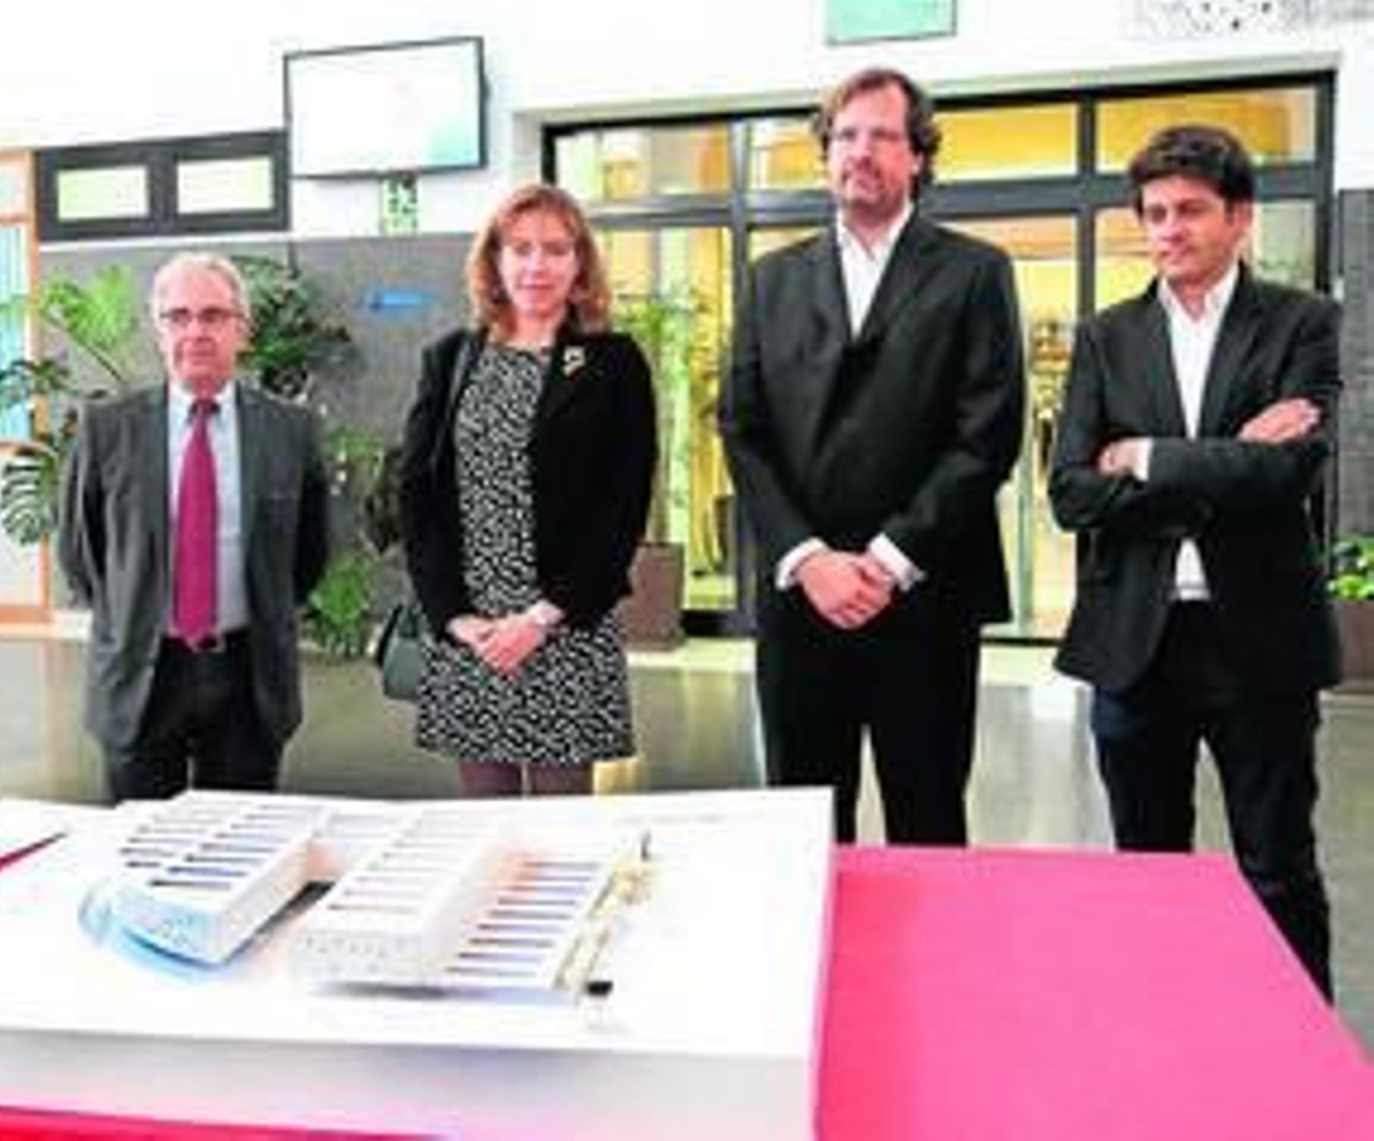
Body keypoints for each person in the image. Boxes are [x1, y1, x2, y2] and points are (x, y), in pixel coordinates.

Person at [1049, 124, 1340, 997]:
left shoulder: (1304, 323)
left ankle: (1301, 1051)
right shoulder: (1107, 337)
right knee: (1146, 869)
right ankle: (1163, 1027)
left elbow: (1289, 469)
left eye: (1191, 211)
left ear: (1240, 217)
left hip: (1259, 639)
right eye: (1155, 212)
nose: (1169, 229)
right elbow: (1069, 492)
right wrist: (1225, 459)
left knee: (1277, 865)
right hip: (1135, 642)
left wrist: (1143, 455)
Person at [719, 67, 1025, 844]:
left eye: (884, 135)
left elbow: (987, 434)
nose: (862, 151)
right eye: (846, 135)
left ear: (918, 154)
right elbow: (743, 430)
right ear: (825, 154)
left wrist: (887, 559)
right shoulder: (769, 279)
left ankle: (930, 972)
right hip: (801, 600)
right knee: (805, 829)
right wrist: (808, 556)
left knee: (929, 821)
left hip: (925, 596)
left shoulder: (974, 272)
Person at [399, 183, 657, 797]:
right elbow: (417, 493)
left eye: (555, 249)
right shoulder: (452, 357)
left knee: (562, 840)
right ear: (494, 260)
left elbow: (622, 508)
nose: (536, 265)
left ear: (580, 264)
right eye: (519, 248)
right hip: (475, 637)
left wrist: (541, 619)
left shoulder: (612, 363)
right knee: (486, 832)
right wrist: (455, 617)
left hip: (564, 630)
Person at [59, 252, 329, 801]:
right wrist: (132, 611)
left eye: (213, 315)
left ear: (242, 330)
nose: (196, 331)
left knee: (240, 848)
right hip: (142, 676)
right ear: (158, 330)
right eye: (178, 317)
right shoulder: (108, 432)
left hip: (247, 681)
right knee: (139, 855)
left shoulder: (290, 432)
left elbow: (307, 555)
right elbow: (81, 554)